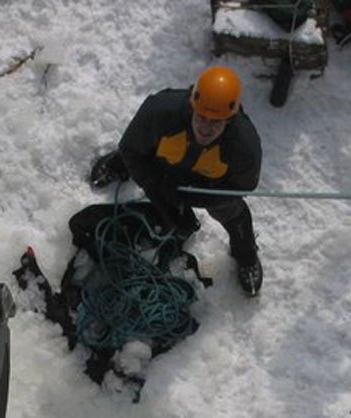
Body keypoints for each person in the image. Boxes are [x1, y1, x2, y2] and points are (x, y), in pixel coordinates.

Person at [90, 65, 264, 297]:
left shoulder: (244, 147)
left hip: (209, 184)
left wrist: (202, 196)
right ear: (192, 105)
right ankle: (118, 166)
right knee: (134, 157)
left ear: (230, 120)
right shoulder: (160, 112)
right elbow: (132, 149)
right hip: (163, 167)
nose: (206, 128)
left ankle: (246, 254)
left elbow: (241, 187)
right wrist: (157, 188)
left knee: (232, 213)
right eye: (201, 117)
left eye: (216, 122)